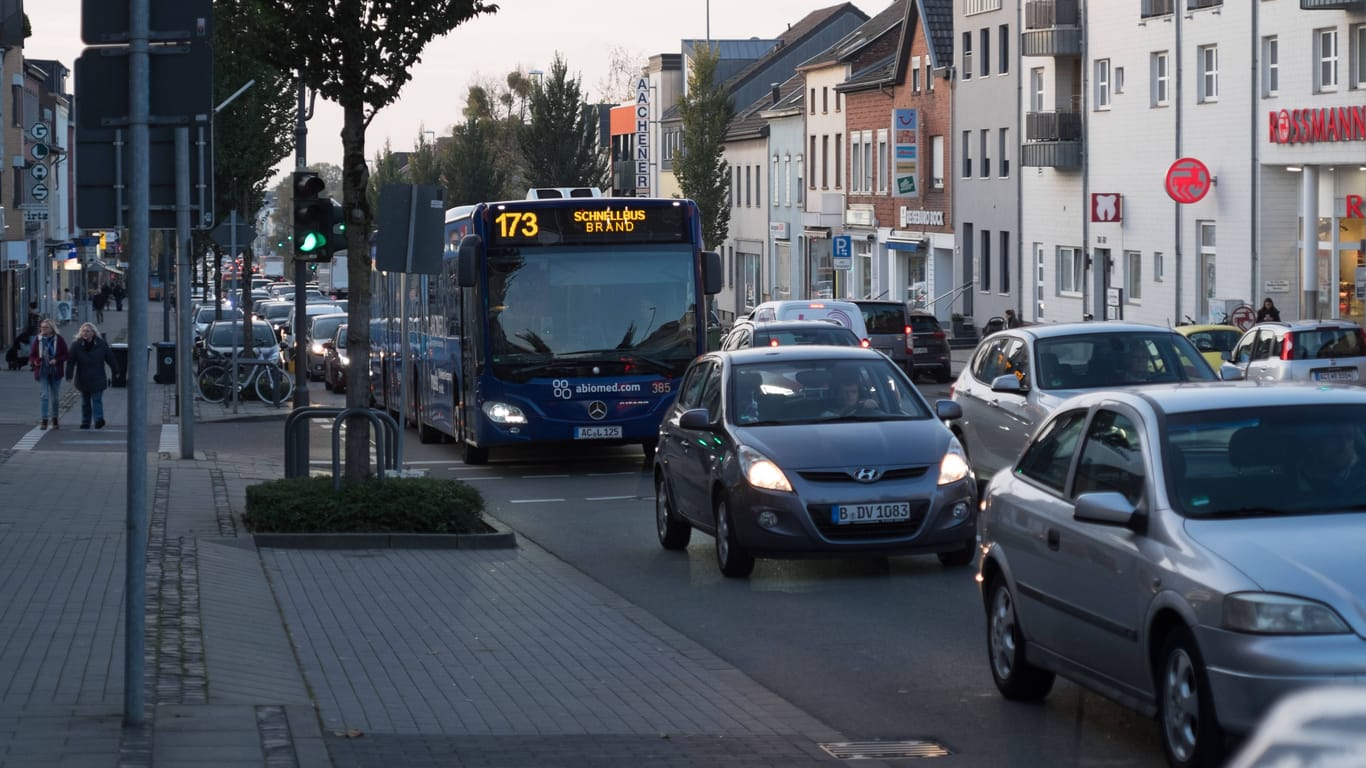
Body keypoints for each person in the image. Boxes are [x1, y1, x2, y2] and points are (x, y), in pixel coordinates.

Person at [65, 322, 120, 430]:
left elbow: (110, 358)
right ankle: (85, 422)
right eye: (83, 331)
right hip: (83, 378)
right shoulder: (76, 345)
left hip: (97, 377)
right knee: (85, 402)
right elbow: (71, 361)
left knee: (96, 400)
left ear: (93, 333)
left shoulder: (101, 344)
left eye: (87, 331)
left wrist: (116, 371)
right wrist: (69, 375)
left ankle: (99, 420)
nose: (85, 333)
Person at [28, 319, 69, 430]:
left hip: (55, 371)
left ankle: (55, 418)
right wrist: (35, 361)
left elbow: (66, 354)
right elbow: (32, 355)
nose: (43, 329)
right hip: (43, 371)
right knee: (44, 396)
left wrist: (57, 360)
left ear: (52, 328)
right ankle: (44, 420)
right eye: (42, 327)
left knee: (55, 398)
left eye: (46, 327)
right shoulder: (39, 339)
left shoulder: (59, 339)